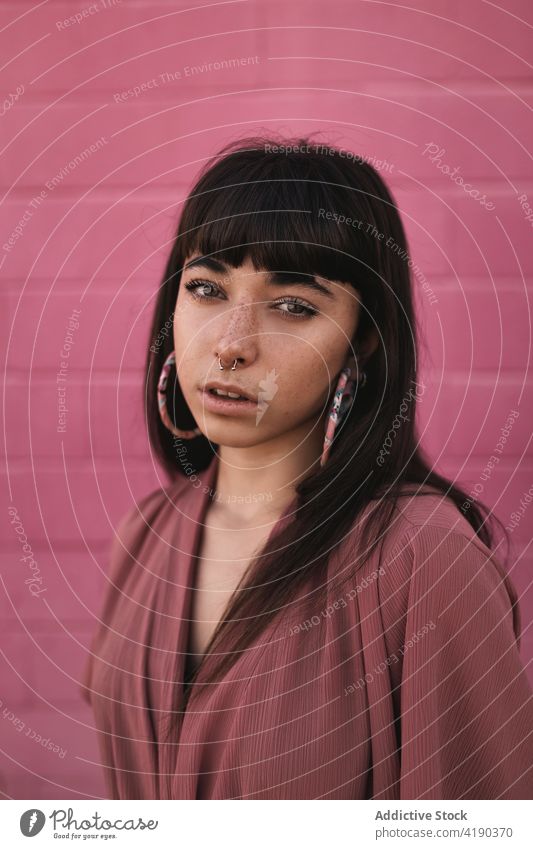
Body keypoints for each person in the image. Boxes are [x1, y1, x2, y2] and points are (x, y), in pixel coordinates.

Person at [81, 134, 533, 800]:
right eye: (205, 288)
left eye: (292, 305)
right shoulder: (147, 533)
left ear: (365, 335)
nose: (231, 343)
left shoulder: (423, 559)